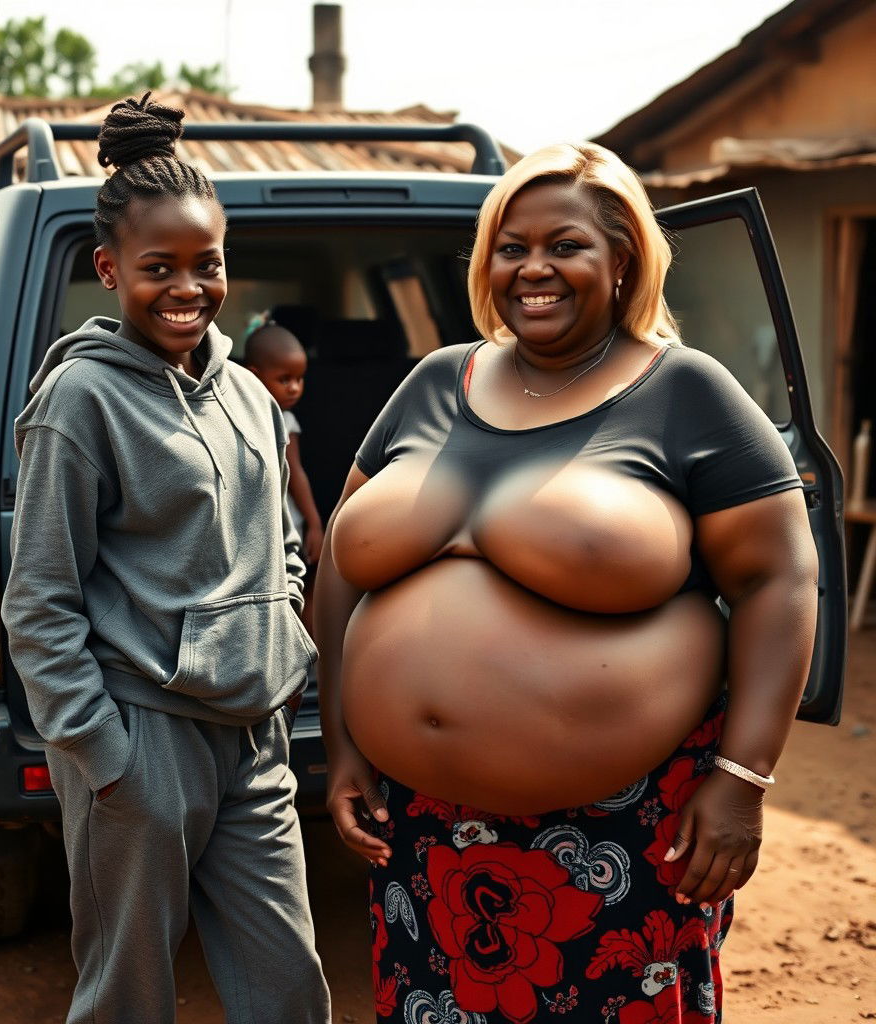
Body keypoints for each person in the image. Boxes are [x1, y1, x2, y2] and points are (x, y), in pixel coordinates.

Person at [314, 142, 818, 1024]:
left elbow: (780, 576)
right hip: (428, 833)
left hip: (622, 839)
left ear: (622, 259)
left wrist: (744, 776)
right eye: (511, 246)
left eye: (565, 245)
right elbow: (339, 572)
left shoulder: (686, 391)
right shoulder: (436, 380)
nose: (533, 268)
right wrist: (345, 742)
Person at [2, 94, 330, 1024]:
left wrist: (284, 641)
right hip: (142, 739)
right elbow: (39, 602)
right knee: (128, 996)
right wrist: (109, 759)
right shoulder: (80, 402)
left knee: (289, 985)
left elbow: (283, 538)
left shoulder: (250, 396)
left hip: (253, 736)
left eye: (207, 263)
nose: (188, 287)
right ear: (109, 270)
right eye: (159, 268)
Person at [244, 321, 324, 568]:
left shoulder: (285, 420)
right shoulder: (240, 414)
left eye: (300, 379)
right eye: (285, 379)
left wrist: (314, 524)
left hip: (284, 523)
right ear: (254, 376)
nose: (295, 388)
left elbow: (295, 472)